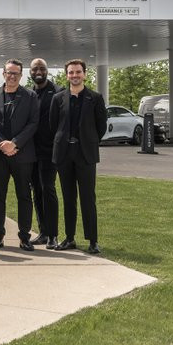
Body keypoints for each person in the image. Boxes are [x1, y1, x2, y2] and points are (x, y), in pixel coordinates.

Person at [49, 59, 107, 254]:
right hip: (64, 154)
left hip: (86, 154)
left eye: (78, 72)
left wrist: (89, 141)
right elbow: (53, 125)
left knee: (88, 198)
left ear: (84, 74)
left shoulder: (95, 98)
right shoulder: (58, 98)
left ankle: (93, 241)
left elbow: (101, 126)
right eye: (71, 72)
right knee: (68, 198)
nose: (74, 75)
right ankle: (69, 238)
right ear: (67, 75)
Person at [0, 59, 40, 251]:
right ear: (3, 73)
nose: (12, 76)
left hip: (22, 155)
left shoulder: (30, 96)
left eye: (16, 73)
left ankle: (24, 237)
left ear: (21, 75)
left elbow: (33, 123)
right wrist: (4, 144)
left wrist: (14, 143)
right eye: (9, 72)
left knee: (24, 196)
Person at [28, 58, 62, 247]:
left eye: (42, 68)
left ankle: (53, 235)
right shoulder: (28, 94)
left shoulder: (58, 92)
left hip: (50, 151)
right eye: (35, 69)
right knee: (37, 191)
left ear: (47, 71)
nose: (38, 71)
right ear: (30, 72)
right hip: (31, 152)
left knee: (48, 189)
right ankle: (42, 232)